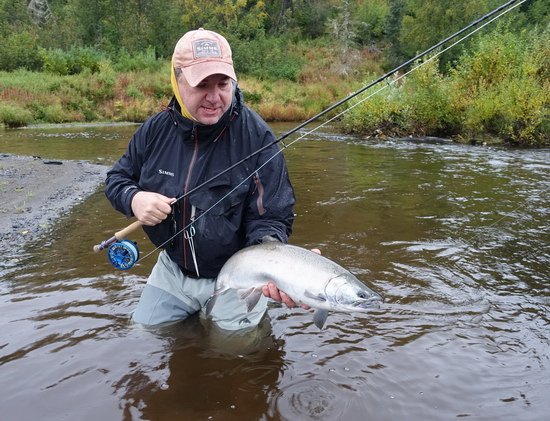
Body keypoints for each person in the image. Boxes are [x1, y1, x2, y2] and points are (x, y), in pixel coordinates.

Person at [105, 28, 299, 330]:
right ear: (177, 80)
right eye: (201, 84)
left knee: (232, 356)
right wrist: (135, 198)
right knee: (144, 334)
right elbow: (117, 179)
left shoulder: (258, 137)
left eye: (223, 84)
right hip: (172, 270)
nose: (214, 97)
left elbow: (271, 217)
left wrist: (269, 262)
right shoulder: (154, 131)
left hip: (238, 278)